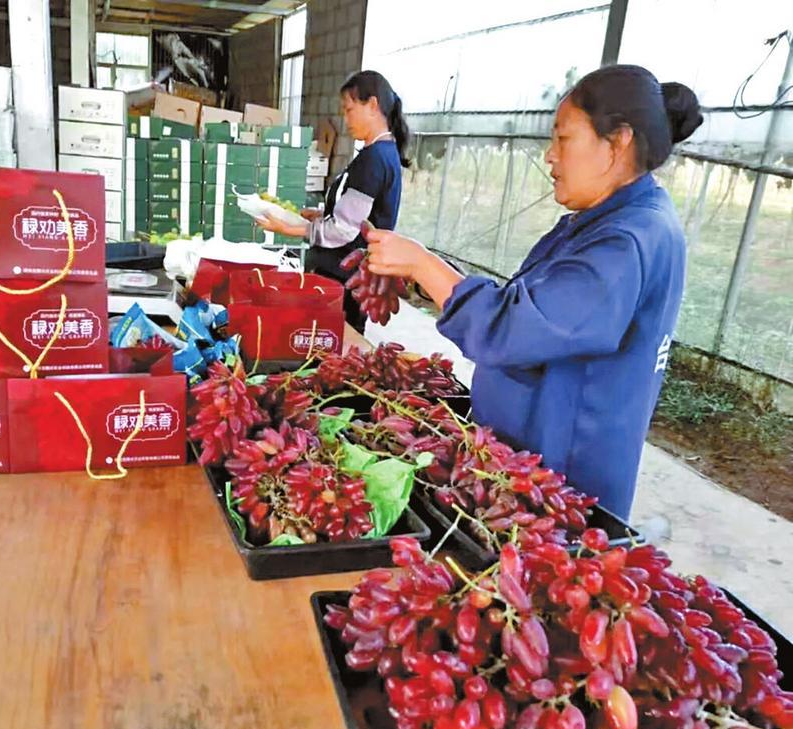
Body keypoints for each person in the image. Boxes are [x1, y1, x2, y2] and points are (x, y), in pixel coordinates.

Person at [362, 64, 703, 521]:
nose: (550, 155)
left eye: (563, 139)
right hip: (527, 465)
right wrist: (425, 277)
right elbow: (530, 304)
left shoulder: (625, 242)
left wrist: (424, 265)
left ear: (617, 143)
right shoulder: (605, 221)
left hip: (559, 482)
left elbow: (514, 328)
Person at [255, 70, 410, 332]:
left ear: (372, 105)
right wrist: (320, 215)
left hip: (344, 278)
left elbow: (343, 229)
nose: (345, 119)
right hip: (347, 275)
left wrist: (290, 228)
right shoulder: (380, 153)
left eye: (349, 110)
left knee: (335, 341)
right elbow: (360, 216)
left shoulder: (374, 159)